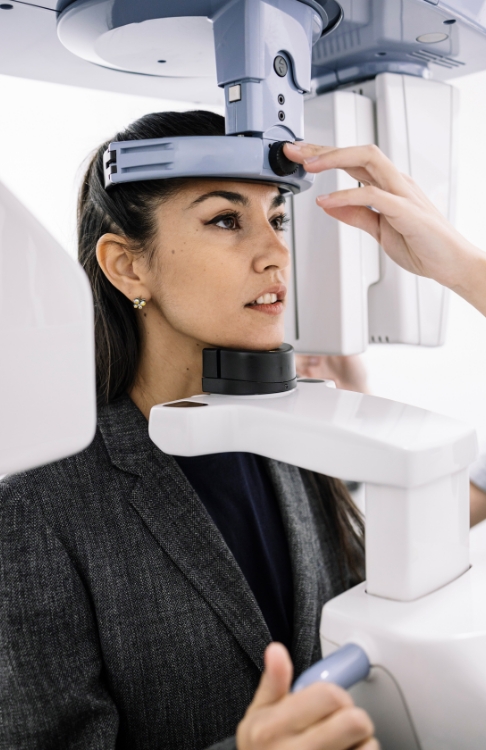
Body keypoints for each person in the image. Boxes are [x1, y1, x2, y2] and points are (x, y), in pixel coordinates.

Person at [0, 111, 376, 750]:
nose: (276, 251)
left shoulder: (292, 434)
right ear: (127, 267)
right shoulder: (36, 504)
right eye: (226, 220)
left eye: (277, 218)